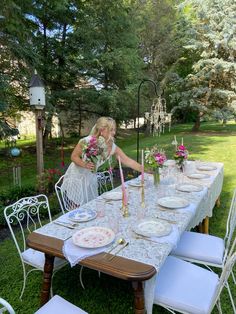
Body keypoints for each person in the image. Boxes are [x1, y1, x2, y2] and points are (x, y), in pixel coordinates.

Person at [61, 117, 142, 207]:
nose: (114, 133)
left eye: (114, 130)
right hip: (76, 178)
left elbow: (127, 161)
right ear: (102, 130)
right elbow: (74, 156)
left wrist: (145, 169)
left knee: (90, 207)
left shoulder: (112, 147)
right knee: (77, 210)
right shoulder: (86, 141)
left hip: (91, 178)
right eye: (111, 130)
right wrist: (85, 164)